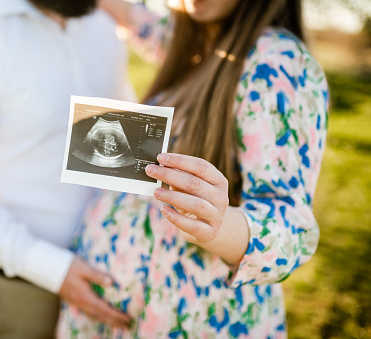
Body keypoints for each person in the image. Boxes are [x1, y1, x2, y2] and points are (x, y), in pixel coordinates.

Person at [57, 0, 329, 337]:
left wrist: (218, 223)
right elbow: (135, 18)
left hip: (190, 322)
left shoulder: (279, 66)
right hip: (113, 310)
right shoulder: (191, 36)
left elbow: (293, 230)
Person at [0, 0, 135, 337]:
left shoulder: (102, 25)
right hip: (18, 289)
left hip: (107, 272)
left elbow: (117, 136)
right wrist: (54, 270)